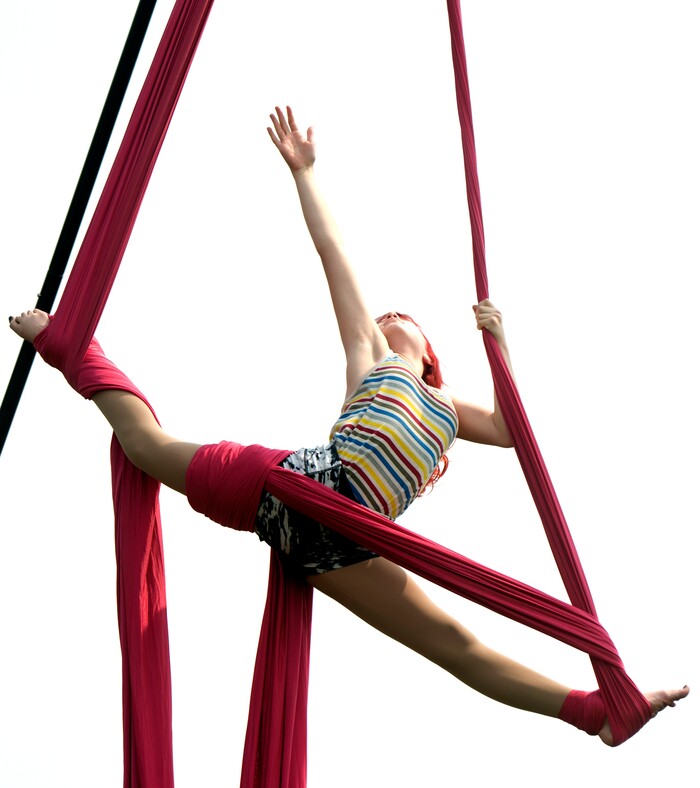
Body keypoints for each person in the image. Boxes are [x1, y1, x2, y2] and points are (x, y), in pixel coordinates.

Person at [9, 105, 687, 745]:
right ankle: (73, 350)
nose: (385, 316)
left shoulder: (450, 411)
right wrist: (305, 173)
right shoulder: (371, 359)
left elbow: (513, 431)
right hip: (296, 485)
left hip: (345, 540)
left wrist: (500, 345)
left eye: (399, 315)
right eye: (382, 315)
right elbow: (335, 254)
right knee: (146, 445)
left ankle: (595, 715)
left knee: (457, 646)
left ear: (429, 351)